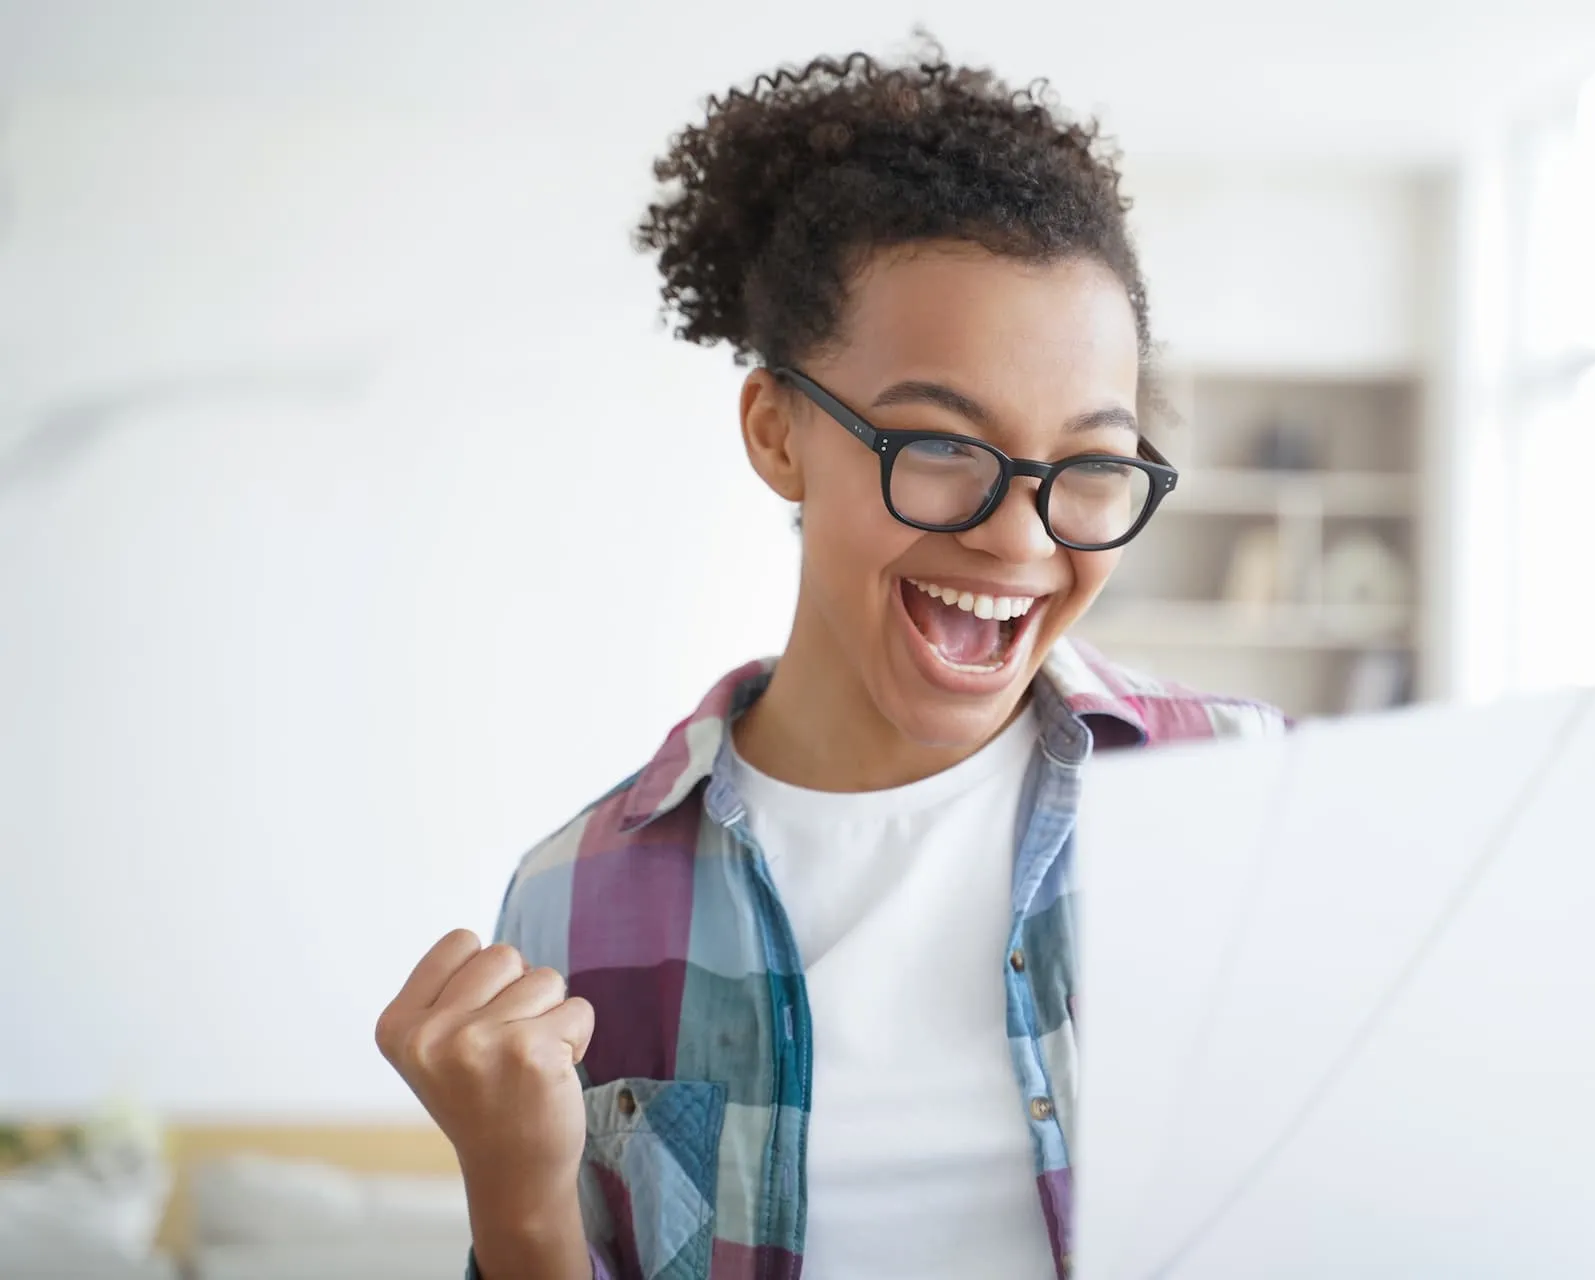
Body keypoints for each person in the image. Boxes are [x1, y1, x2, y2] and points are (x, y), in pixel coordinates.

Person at [375, 41, 1281, 1280]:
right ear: (778, 432)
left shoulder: (1253, 795)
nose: (1020, 537)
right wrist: (519, 1209)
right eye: (942, 446)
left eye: (1090, 463)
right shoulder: (573, 901)